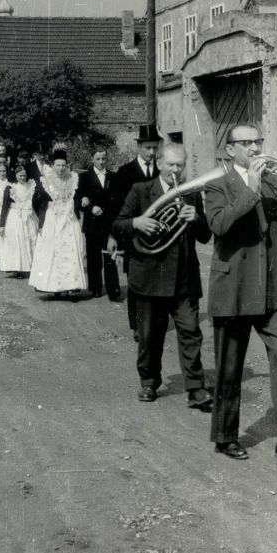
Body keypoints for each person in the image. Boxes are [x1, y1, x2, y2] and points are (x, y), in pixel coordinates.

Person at [205, 123, 277, 463]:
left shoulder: (275, 180)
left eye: (258, 141)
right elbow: (220, 225)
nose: (256, 148)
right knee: (229, 368)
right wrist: (251, 189)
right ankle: (226, 436)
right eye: (248, 143)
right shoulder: (216, 183)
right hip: (235, 288)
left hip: (275, 288)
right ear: (231, 150)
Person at [112, 143, 212, 409]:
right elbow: (118, 224)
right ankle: (149, 382)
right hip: (150, 277)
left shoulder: (190, 195)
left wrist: (196, 220)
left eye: (180, 165)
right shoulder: (141, 191)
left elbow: (205, 237)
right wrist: (137, 222)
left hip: (183, 279)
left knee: (191, 332)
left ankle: (195, 388)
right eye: (171, 165)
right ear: (159, 164)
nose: (176, 170)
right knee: (148, 335)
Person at [110, 124, 162, 339]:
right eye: (148, 147)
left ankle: (154, 322)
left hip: (158, 236)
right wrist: (113, 237)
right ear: (139, 146)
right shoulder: (125, 172)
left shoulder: (162, 171)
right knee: (135, 282)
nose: (152, 152)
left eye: (155, 148)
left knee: (156, 280)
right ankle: (137, 326)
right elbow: (115, 209)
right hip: (132, 237)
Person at [29, 147, 87, 297]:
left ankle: (71, 287)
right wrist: (43, 219)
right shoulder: (45, 180)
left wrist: (80, 202)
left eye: (63, 165)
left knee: (71, 250)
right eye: (58, 165)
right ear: (53, 166)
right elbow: (36, 202)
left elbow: (78, 198)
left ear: (67, 166)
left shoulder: (73, 179)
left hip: (69, 220)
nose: (61, 168)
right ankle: (55, 288)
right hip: (52, 219)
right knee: (53, 252)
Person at [77, 147, 120, 300]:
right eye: (98, 159)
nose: (101, 162)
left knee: (110, 255)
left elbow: (118, 201)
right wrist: (89, 207)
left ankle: (113, 290)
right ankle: (95, 288)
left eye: (103, 159)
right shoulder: (84, 177)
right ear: (92, 159)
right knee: (94, 258)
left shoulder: (113, 177)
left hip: (108, 223)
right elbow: (77, 200)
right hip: (92, 225)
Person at [0, 164, 38, 277]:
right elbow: (4, 207)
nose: (22, 178)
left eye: (24, 175)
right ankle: (18, 268)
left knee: (30, 239)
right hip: (15, 216)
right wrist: (1, 225)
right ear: (15, 176)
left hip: (29, 215)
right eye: (20, 175)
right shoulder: (10, 188)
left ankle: (31, 266)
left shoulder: (30, 186)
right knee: (18, 241)